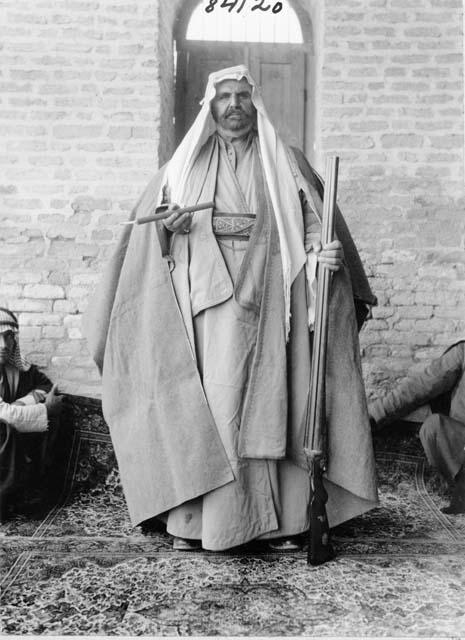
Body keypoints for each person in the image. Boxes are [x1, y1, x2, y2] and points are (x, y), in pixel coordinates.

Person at [84, 65, 378, 551]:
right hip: (207, 304)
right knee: (213, 411)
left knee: (274, 405)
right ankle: (197, 524)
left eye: (243, 96)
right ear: (210, 105)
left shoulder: (285, 162)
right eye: (224, 97)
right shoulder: (181, 167)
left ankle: (279, 524)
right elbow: (149, 238)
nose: (234, 105)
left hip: (271, 300)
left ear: (255, 103)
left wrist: (321, 252)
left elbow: (311, 222)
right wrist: (169, 226)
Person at [368, 340, 465, 515]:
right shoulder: (462, 352)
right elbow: (420, 387)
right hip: (461, 443)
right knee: (433, 427)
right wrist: (375, 414)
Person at [0, 307, 63, 520]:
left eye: (8, 338)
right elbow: (6, 415)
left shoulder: (14, 368)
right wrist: (44, 409)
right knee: (4, 429)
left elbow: (45, 386)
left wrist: (22, 402)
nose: (3, 345)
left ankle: (30, 493)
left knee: (56, 416)